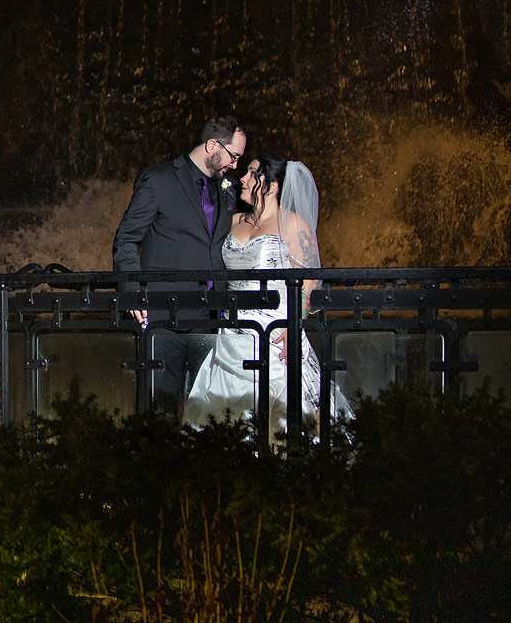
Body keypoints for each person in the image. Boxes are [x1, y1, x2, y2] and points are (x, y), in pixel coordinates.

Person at [181, 153, 352, 436]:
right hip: (232, 331)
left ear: (271, 186)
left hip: (276, 329)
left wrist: (294, 322)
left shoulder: (293, 224)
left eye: (252, 174)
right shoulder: (234, 220)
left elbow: (310, 278)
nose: (243, 179)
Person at [113, 115, 246, 415]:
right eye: (233, 156)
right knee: (157, 411)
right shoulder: (158, 179)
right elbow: (127, 239)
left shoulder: (228, 187)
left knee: (206, 414)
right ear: (212, 145)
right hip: (164, 317)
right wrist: (131, 292)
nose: (235, 165)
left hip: (212, 320)